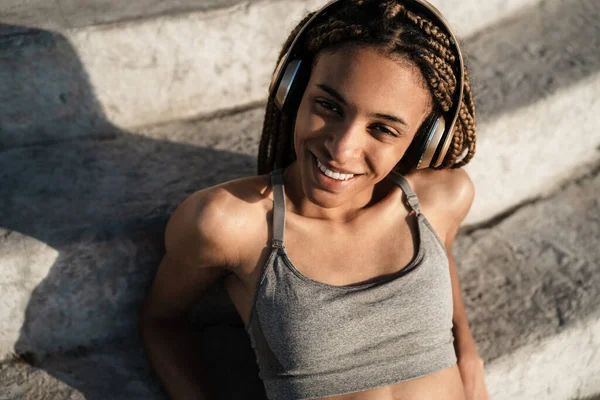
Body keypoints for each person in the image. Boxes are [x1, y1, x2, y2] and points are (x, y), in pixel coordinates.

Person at [140, 0, 490, 398]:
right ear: (291, 90)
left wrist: (467, 350)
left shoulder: (439, 200)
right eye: (328, 106)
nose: (342, 149)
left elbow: (440, 254)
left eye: (382, 129)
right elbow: (161, 323)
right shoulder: (229, 224)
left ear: (426, 142)